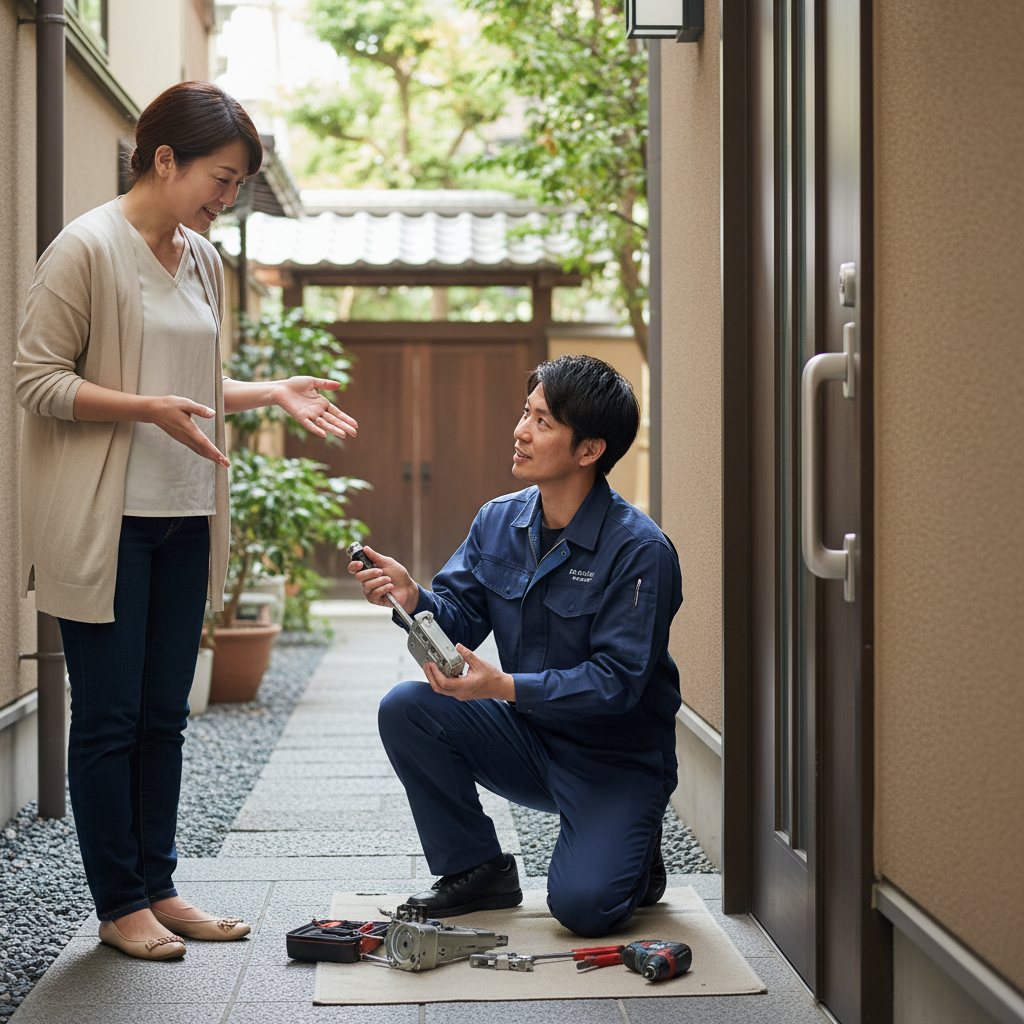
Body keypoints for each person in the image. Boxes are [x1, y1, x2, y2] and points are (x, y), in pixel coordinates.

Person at [14, 81, 358, 961]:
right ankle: (118, 904)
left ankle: (160, 887)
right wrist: (140, 409)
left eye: (239, 182)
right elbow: (35, 381)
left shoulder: (199, 257)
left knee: (165, 716)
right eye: (222, 175)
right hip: (107, 524)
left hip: (184, 521)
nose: (227, 195)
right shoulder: (85, 249)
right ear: (163, 158)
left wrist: (264, 391)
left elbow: (194, 394)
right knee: (108, 719)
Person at [350, 355, 682, 938]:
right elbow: (457, 618)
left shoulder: (640, 551)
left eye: (543, 421)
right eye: (525, 413)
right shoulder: (498, 521)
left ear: (589, 450)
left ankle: (635, 854)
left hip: (615, 758)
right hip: (531, 738)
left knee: (584, 910)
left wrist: (501, 686)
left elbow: (618, 682)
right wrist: (411, 596)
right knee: (408, 708)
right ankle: (477, 869)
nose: (521, 430)